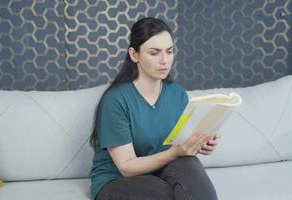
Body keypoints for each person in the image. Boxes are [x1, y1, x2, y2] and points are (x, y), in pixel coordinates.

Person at [89, 17, 220, 200]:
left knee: (190, 165)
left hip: (162, 168)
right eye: (154, 53)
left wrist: (200, 143)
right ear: (134, 55)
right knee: (167, 196)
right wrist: (175, 152)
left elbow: (180, 140)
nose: (164, 60)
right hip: (117, 179)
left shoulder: (177, 94)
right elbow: (126, 167)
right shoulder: (116, 100)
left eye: (169, 51)